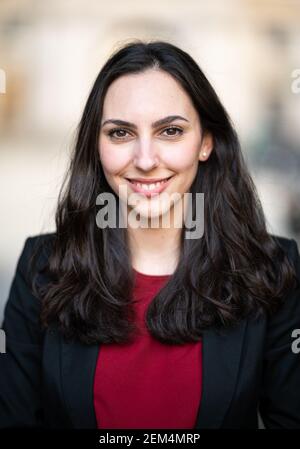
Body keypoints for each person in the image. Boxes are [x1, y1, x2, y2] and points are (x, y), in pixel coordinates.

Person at [0, 40, 300, 430]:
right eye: (121, 133)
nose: (144, 160)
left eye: (170, 131)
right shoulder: (41, 269)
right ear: (97, 145)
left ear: (206, 142)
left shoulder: (274, 271)